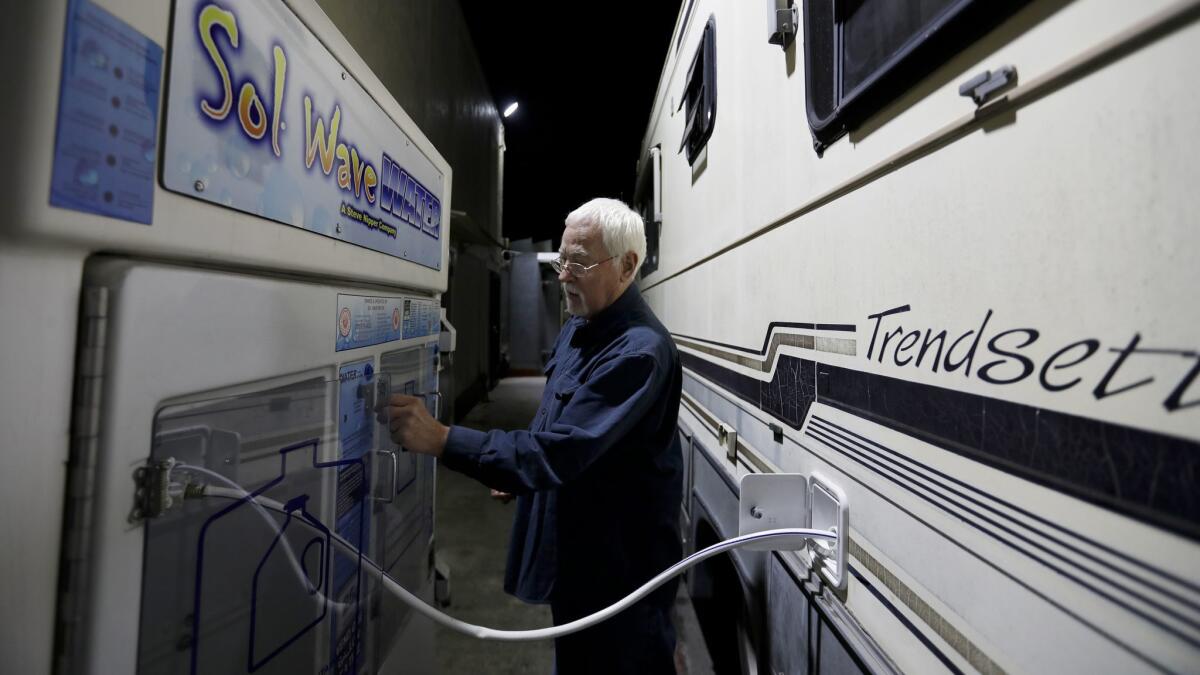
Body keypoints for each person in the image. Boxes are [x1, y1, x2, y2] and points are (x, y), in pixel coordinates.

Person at [383, 197, 683, 674]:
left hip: (618, 576)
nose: (563, 275)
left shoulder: (637, 353)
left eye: (579, 262)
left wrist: (444, 439)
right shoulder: (582, 328)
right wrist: (516, 472)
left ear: (627, 265)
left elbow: (558, 452)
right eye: (562, 259)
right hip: (580, 563)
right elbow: (558, 427)